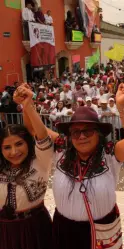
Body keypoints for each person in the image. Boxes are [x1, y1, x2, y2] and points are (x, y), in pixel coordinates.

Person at [20, 82, 124, 249]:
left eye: (88, 130)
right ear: (70, 135)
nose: (82, 136)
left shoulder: (109, 153)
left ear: (98, 133)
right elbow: (33, 129)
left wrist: (122, 106)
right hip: (64, 231)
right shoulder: (61, 147)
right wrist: (26, 103)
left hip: (102, 231)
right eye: (76, 132)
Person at [1, 84, 54, 249]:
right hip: (4, 231)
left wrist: (27, 105)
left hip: (36, 228)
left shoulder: (40, 161)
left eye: (19, 144)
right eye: (7, 147)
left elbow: (42, 135)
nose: (14, 151)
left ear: (28, 144)